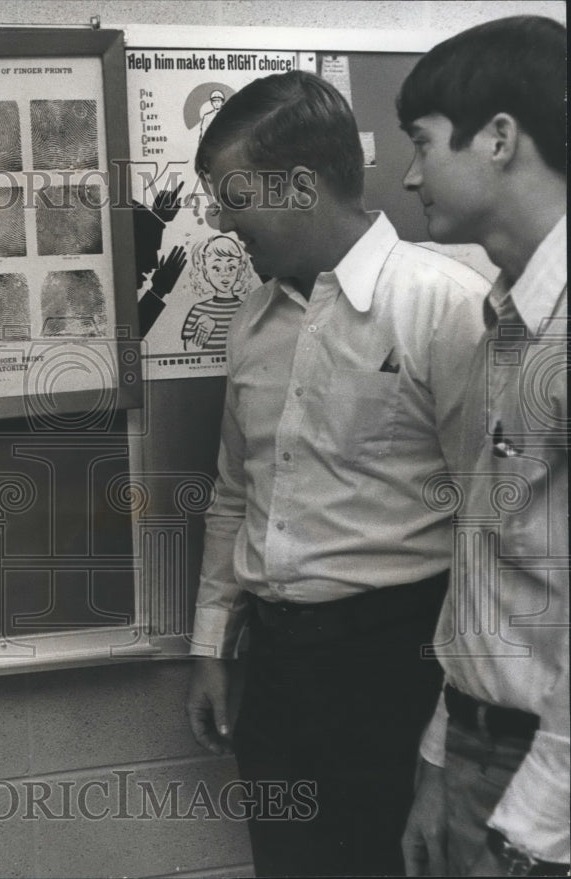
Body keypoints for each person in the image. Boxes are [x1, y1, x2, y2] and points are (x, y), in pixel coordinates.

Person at [184, 70, 490, 876]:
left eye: (232, 196)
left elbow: (493, 526)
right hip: (278, 673)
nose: (222, 221)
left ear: (297, 185)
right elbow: (234, 490)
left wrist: (455, 724)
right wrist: (212, 646)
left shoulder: (446, 307)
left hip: (398, 667)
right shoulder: (254, 318)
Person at [395, 16, 568, 877]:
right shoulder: (501, 321)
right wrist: (440, 762)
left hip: (546, 788)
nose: (409, 173)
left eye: (422, 143)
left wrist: (534, 830)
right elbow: (492, 572)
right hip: (479, 748)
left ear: (499, 137)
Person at [180, 234, 255, 351]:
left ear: (240, 270)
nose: (225, 274)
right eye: (216, 268)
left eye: (231, 268)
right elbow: (189, 352)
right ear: (206, 272)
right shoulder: (198, 310)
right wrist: (204, 331)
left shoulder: (246, 309)